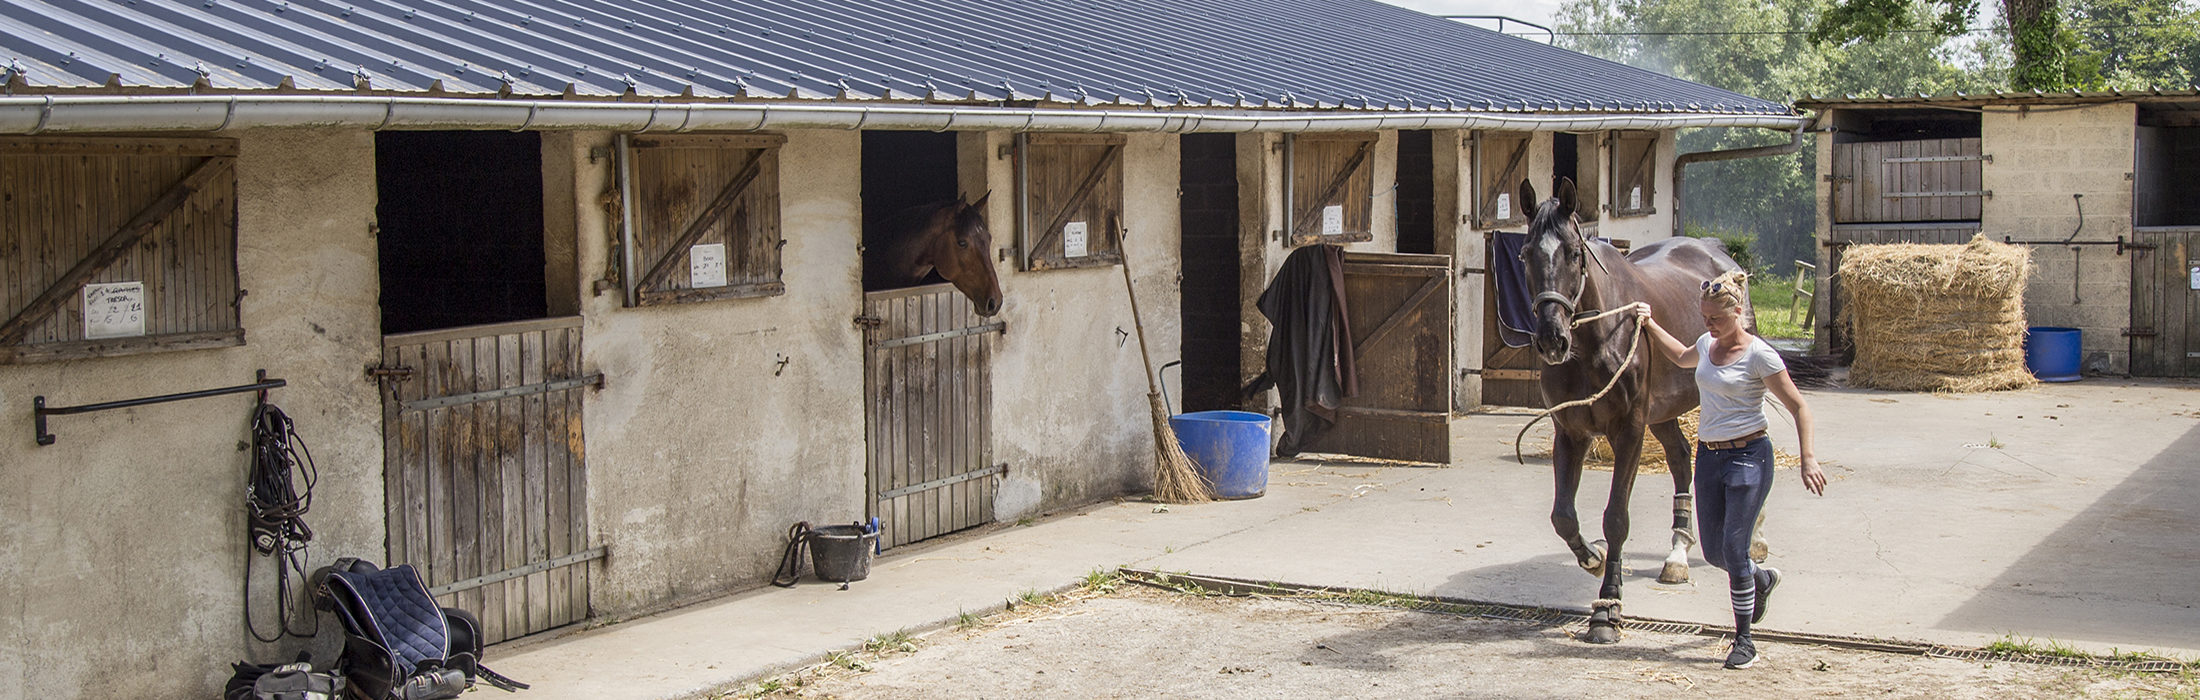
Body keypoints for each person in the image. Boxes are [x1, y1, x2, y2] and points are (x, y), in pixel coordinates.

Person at [1635, 269, 1826, 670]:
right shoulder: (1706, 344)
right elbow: (1681, 356)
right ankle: (1761, 579)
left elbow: (1799, 407)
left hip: (1749, 457)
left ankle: (1744, 641)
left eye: (1716, 319)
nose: (1709, 325)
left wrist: (1808, 458)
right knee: (1715, 551)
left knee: (1735, 550)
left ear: (1738, 312)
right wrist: (1650, 323)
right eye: (1705, 318)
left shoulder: (1760, 355)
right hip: (1709, 458)